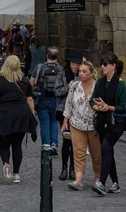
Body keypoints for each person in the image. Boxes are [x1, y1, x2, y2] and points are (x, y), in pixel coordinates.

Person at [0, 55, 37, 184]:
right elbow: (30, 99)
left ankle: (6, 164)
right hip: (21, 116)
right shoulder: (24, 81)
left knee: (4, 144)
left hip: (4, 115)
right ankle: (16, 174)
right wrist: (32, 115)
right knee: (17, 145)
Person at [90, 52, 126, 196]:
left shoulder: (121, 85)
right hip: (102, 121)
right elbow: (92, 100)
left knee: (105, 147)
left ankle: (101, 183)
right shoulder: (100, 82)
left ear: (113, 66)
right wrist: (97, 107)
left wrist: (108, 107)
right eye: (102, 64)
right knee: (108, 150)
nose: (102, 67)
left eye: (105, 64)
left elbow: (123, 107)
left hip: (117, 122)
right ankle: (115, 183)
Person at [62, 61, 101, 191]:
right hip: (76, 123)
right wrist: (65, 121)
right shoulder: (74, 86)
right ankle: (78, 180)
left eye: (85, 72)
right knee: (78, 152)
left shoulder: (98, 86)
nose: (81, 74)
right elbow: (68, 103)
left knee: (96, 154)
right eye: (80, 71)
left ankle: (98, 179)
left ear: (91, 73)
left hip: (94, 125)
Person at [54, 50, 82, 181]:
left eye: (77, 63)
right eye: (73, 63)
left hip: (78, 112)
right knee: (67, 141)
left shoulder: (83, 74)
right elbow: (57, 91)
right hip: (64, 111)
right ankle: (64, 168)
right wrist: (67, 87)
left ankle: (73, 168)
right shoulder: (62, 74)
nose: (75, 66)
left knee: (75, 142)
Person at [31, 46, 62, 152]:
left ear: (46, 56)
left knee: (44, 122)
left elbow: (31, 82)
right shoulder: (61, 69)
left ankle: (46, 144)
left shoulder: (40, 67)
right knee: (54, 121)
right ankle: (54, 143)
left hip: (42, 98)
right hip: (56, 99)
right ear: (58, 56)